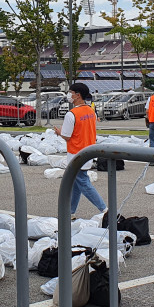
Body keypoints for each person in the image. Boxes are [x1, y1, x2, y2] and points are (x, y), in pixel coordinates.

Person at [54, 82, 107, 219]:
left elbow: (67, 136)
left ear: (77, 95)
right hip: (89, 151)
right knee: (77, 183)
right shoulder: (90, 111)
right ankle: (70, 212)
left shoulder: (71, 114)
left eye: (70, 92)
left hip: (76, 152)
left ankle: (105, 210)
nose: (69, 95)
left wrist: (59, 132)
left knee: (82, 182)